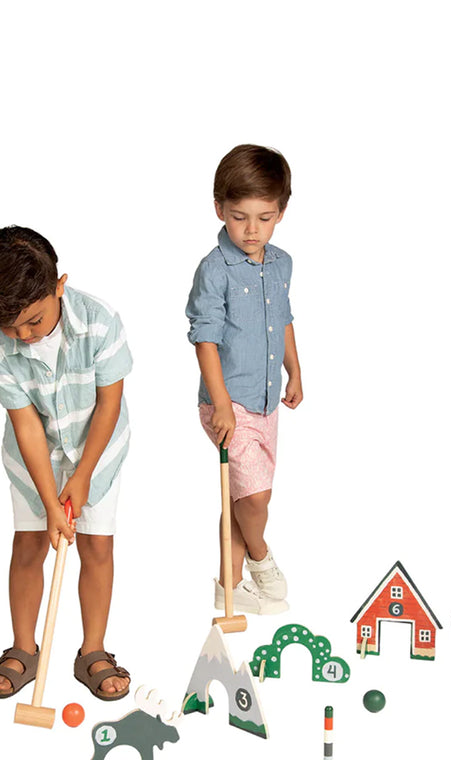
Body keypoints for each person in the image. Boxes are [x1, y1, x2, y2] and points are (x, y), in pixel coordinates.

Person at [0, 225, 132, 700]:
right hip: (33, 460)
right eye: (10, 326)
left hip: (96, 451)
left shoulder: (100, 323)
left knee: (96, 548)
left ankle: (92, 651)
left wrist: (82, 476)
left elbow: (109, 404)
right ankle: (23, 648)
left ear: (59, 286)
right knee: (29, 545)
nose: (22, 336)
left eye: (33, 321)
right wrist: (49, 500)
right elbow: (26, 427)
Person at [185, 145, 303, 615]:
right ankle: (260, 555)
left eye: (264, 218)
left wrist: (295, 369)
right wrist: (221, 404)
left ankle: (228, 587)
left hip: (267, 400)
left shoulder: (281, 263)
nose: (251, 230)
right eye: (239, 217)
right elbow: (205, 339)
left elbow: (284, 319)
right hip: (228, 403)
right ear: (220, 209)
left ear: (281, 213)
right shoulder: (215, 271)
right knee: (253, 498)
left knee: (245, 496)